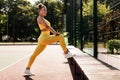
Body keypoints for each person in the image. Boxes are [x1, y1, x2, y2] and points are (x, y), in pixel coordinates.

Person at [24, 3, 74, 76]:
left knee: (34, 55)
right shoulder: (39, 18)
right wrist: (55, 33)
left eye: (46, 10)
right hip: (44, 38)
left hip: (43, 39)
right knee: (61, 37)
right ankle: (66, 53)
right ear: (39, 10)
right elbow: (47, 27)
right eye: (44, 10)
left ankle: (27, 69)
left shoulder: (42, 18)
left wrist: (54, 33)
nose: (45, 11)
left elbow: (47, 28)